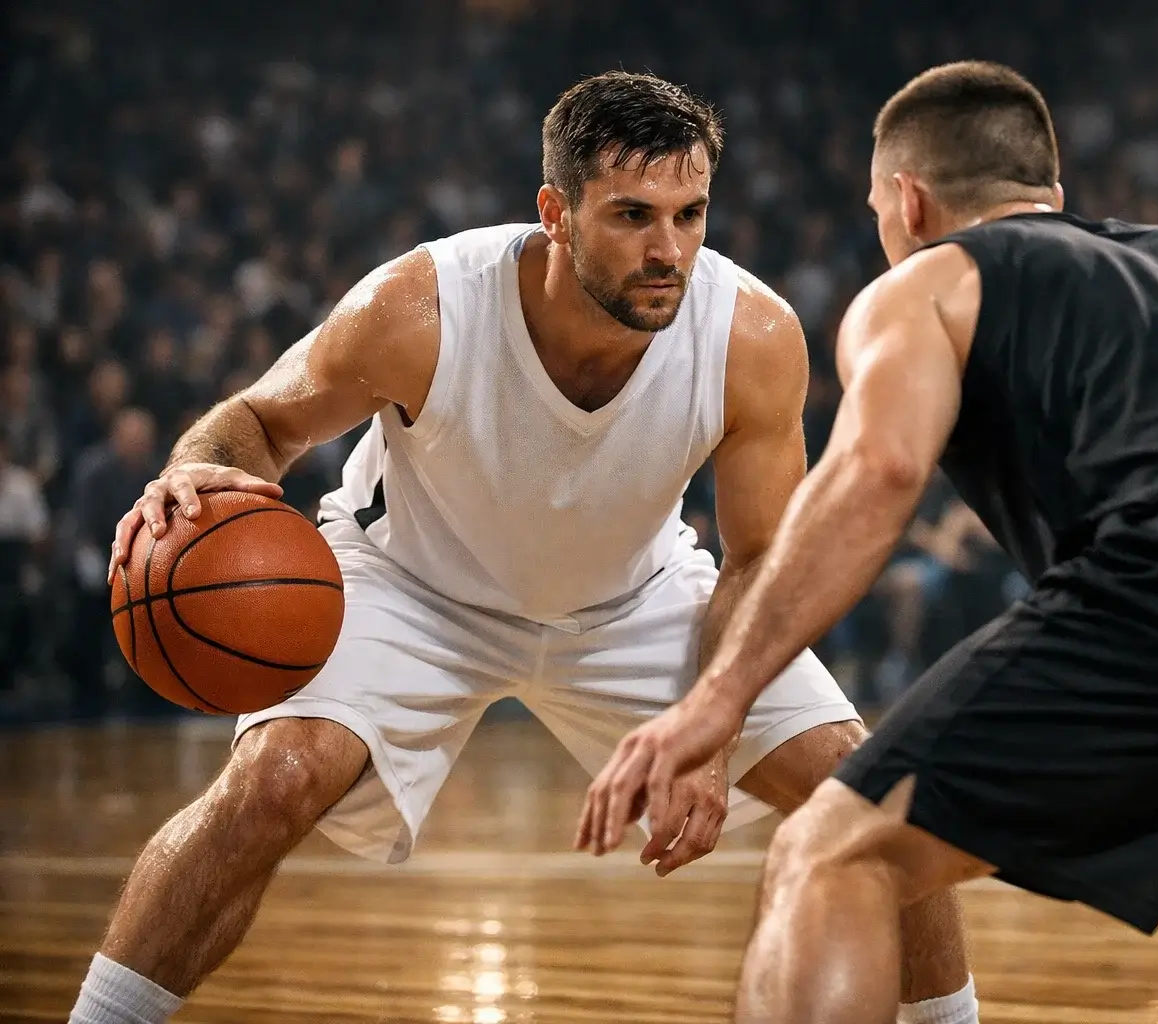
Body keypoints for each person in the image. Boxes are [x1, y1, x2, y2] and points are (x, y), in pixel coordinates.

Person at [577, 61, 1158, 1023]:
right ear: (1053, 195)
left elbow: (879, 473)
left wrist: (718, 699)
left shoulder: (926, 284)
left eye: (878, 208)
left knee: (832, 856)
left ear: (909, 202)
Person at [69, 72, 979, 1024]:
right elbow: (259, 421)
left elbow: (759, 560)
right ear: (556, 212)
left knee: (879, 801)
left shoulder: (751, 335)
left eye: (691, 212)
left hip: (632, 598)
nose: (668, 249)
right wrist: (197, 470)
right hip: (412, 585)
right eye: (632, 215)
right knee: (272, 782)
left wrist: (713, 722)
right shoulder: (420, 308)